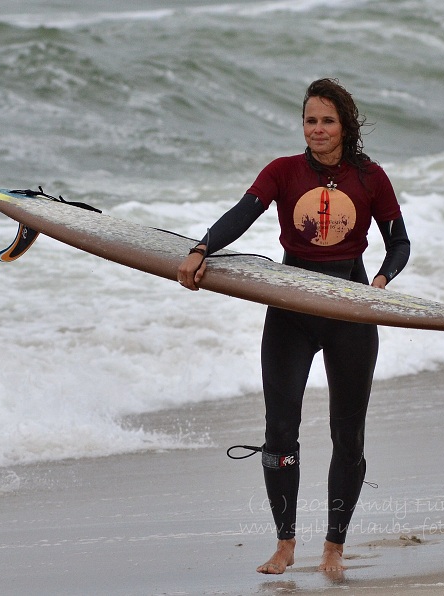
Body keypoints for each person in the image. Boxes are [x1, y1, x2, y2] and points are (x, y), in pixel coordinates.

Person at [176, 78, 410, 575]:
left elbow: (399, 242)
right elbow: (243, 214)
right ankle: (285, 543)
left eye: (327, 120)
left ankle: (334, 548)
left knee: (348, 436)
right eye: (310, 120)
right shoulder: (283, 172)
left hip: (350, 311)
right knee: (280, 431)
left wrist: (382, 281)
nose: (318, 129)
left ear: (344, 125)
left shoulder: (371, 178)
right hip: (290, 312)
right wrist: (201, 248)